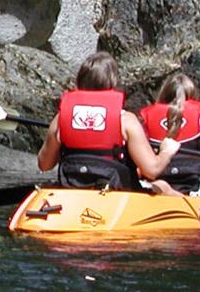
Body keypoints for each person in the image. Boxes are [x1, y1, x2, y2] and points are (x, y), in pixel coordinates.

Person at [36, 51, 181, 195]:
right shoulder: (125, 120)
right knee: (163, 187)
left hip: (72, 191)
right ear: (113, 82)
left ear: (80, 81)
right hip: (115, 194)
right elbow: (152, 170)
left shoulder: (61, 118)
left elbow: (44, 164)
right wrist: (166, 151)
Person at [137, 72, 200, 196]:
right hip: (195, 181)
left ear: (163, 95)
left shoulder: (145, 123)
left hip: (162, 178)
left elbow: (141, 163)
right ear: (193, 97)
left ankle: (166, 192)